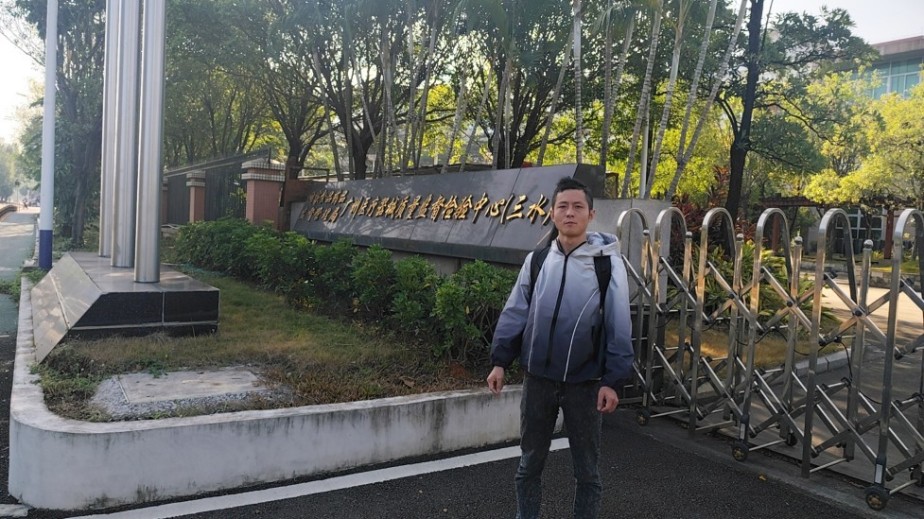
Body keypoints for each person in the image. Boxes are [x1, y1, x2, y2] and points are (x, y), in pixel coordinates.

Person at [487, 176, 634, 519]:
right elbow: (515, 311)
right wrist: (500, 361)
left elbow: (619, 324)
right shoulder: (538, 260)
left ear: (591, 214)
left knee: (587, 473)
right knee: (528, 465)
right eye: (563, 206)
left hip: (585, 384)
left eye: (578, 207)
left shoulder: (606, 264)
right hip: (538, 380)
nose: (570, 213)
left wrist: (612, 381)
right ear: (552, 213)